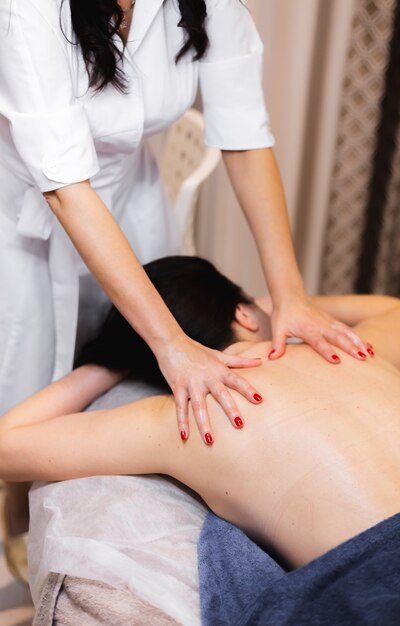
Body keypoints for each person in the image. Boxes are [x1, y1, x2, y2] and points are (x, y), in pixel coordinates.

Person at [0, 0, 369, 573]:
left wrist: (291, 293)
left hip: (132, 208)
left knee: (121, 373)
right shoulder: (30, 10)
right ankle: (17, 520)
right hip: (27, 216)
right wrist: (169, 344)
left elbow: (244, 136)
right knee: (22, 383)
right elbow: (65, 187)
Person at [1, 256, 400, 621]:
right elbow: (398, 311)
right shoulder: (346, 349)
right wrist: (276, 304)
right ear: (244, 315)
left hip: (376, 579)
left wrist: (108, 364)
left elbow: (7, 444)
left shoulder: (185, 417)